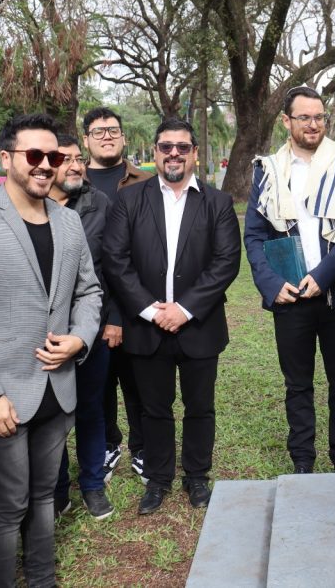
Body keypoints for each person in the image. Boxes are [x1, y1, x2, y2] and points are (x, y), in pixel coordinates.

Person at [0, 114, 102, 586]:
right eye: (34, 156)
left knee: (45, 493)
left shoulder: (69, 223)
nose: (45, 165)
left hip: (58, 387)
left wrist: (80, 337)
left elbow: (89, 292)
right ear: (6, 159)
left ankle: (43, 579)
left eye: (53, 156)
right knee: (9, 504)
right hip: (2, 395)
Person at [103, 118, 240, 514]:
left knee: (200, 407)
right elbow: (116, 260)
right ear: (155, 152)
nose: (174, 154)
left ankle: (197, 476)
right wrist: (150, 311)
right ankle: (158, 479)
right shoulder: (130, 200)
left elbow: (226, 262)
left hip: (199, 325)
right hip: (147, 327)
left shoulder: (217, 202)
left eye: (183, 147)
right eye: (166, 147)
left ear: (195, 153)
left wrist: (184, 309)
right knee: (154, 408)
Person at [244, 86, 335, 474]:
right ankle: (302, 462)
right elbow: (254, 235)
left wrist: (323, 276)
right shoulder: (268, 170)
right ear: (286, 121)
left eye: (319, 117)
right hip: (290, 296)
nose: (313, 124)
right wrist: (269, 283)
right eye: (304, 117)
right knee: (298, 386)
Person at [82, 106, 152, 481]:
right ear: (86, 139)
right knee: (100, 383)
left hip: (137, 300)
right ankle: (109, 443)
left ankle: (143, 448)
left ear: (124, 137)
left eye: (113, 130)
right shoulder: (73, 183)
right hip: (91, 303)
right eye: (98, 131)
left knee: (139, 381)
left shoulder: (144, 182)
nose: (106, 136)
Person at [48, 134, 114, 520]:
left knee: (91, 409)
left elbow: (117, 265)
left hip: (91, 328)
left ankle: (92, 484)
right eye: (65, 158)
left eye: (78, 159)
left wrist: (113, 321)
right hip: (45, 334)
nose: (75, 165)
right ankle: (57, 491)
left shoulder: (98, 204)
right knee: (51, 415)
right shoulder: (30, 206)